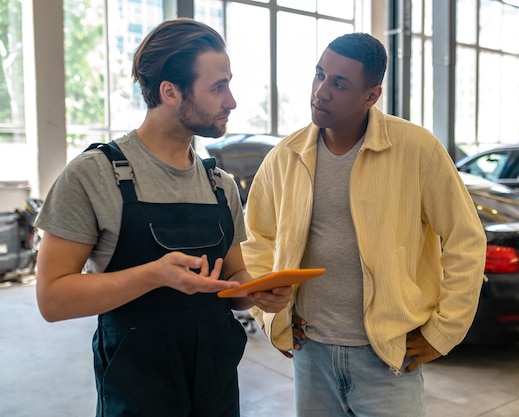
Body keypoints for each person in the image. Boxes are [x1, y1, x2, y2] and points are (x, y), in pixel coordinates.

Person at [34, 18, 292, 417]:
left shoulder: (219, 183)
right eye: (218, 87)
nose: (232, 102)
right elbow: (52, 299)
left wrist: (258, 292)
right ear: (171, 92)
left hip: (216, 390)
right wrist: (154, 274)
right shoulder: (95, 174)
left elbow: (236, 280)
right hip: (138, 392)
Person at [241, 32, 486, 416]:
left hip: (388, 356)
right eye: (319, 74)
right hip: (311, 352)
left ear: (371, 96)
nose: (321, 91)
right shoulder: (285, 157)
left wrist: (444, 331)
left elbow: (465, 238)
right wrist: (272, 315)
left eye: (339, 83)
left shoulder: (416, 150)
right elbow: (257, 238)